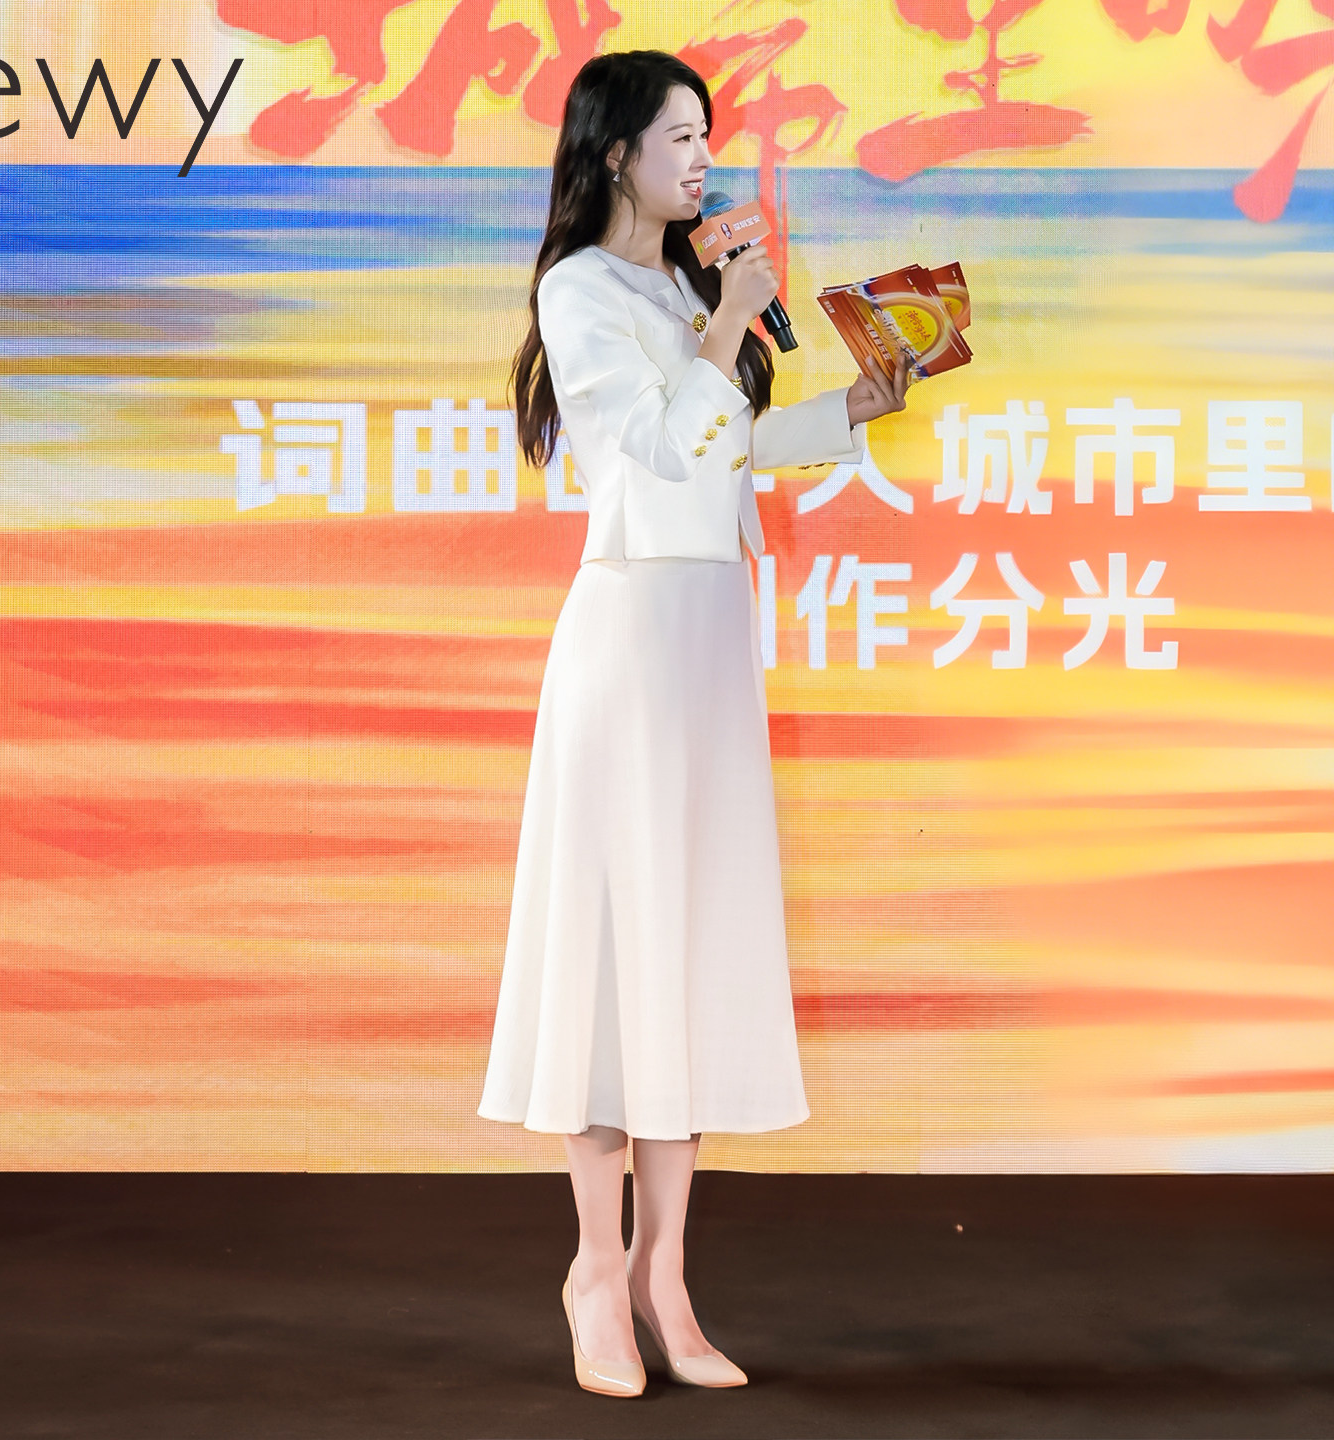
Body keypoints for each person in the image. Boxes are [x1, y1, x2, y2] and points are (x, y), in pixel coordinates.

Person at [477, 49, 909, 1397]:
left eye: (707, 136)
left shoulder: (680, 287)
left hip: (710, 638)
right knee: (618, 952)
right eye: (680, 136)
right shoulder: (580, 289)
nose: (703, 159)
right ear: (616, 153)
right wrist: (726, 319)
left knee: (689, 947)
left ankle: (667, 1275)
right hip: (628, 644)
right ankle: (595, 1271)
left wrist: (847, 406)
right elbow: (656, 449)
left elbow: (728, 449)